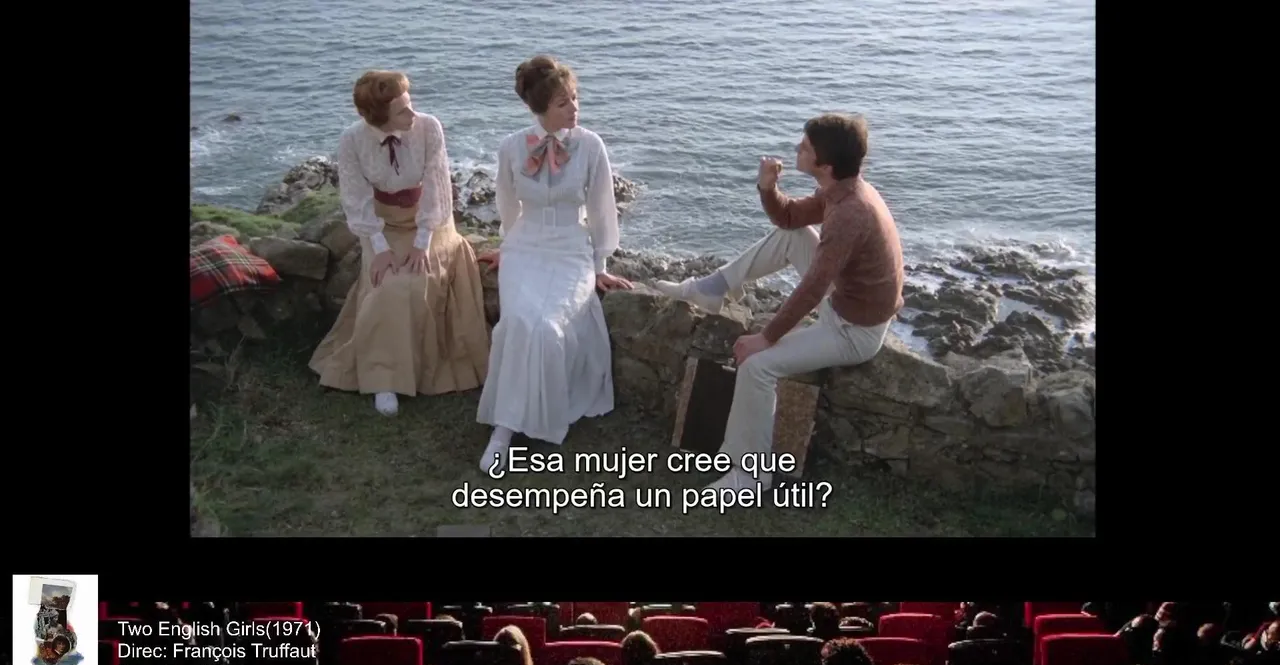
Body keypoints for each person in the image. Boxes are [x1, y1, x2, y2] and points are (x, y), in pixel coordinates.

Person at [653, 113, 904, 490]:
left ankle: (749, 475)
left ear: (825, 165)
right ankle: (713, 287)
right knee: (793, 236)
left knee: (756, 366)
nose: (796, 149)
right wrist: (767, 188)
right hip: (846, 303)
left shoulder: (850, 213)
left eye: (805, 147)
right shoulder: (842, 189)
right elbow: (789, 218)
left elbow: (813, 288)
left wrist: (766, 337)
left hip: (854, 331)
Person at [475, 55, 632, 473]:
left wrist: (600, 265)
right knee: (519, 322)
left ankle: (537, 417)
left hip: (570, 251)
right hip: (524, 248)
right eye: (564, 102)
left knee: (548, 326)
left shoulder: (591, 146)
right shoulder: (511, 147)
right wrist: (506, 247)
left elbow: (602, 210)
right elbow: (507, 207)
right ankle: (503, 431)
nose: (574, 108)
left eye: (575, 98)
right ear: (541, 107)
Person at [309, 70, 490, 417]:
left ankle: (419, 369)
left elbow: (437, 187)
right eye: (402, 110)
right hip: (382, 225)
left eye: (410, 104)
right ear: (379, 118)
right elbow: (357, 198)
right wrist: (379, 248)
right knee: (387, 284)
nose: (413, 114)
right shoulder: (352, 140)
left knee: (417, 280)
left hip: (430, 222)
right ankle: (383, 378)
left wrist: (422, 242)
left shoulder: (428, 127)